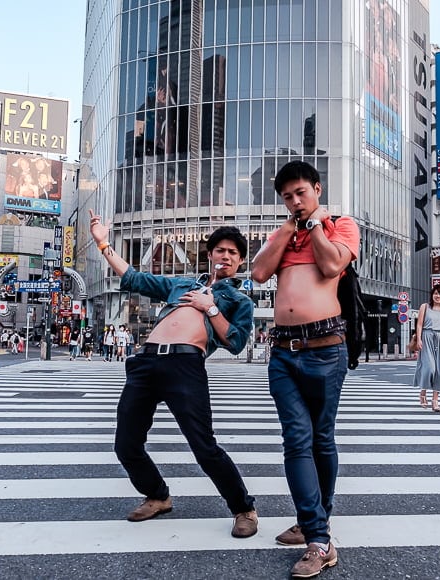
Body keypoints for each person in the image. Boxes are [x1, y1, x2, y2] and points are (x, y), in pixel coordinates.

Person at [89, 208, 258, 538]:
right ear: (210, 255)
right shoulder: (180, 284)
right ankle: (158, 496)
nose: (225, 256)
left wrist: (208, 307)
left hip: (185, 365)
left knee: (203, 446)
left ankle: (243, 508)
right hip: (147, 362)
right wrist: (104, 245)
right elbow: (135, 278)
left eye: (233, 253)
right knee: (126, 443)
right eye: (220, 250)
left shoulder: (238, 299)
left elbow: (236, 342)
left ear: (240, 262)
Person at [250, 160, 360, 578]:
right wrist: (286, 229)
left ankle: (316, 520)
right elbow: (260, 273)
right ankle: (317, 536)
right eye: (287, 197)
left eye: (301, 193)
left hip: (326, 349)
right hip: (283, 351)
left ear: (317, 189)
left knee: (321, 440)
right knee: (296, 440)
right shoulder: (283, 234)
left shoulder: (341, 227)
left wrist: (314, 225)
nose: (295, 201)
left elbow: (333, 266)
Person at [412, 285, 440, 413]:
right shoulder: (425, 307)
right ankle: (423, 392)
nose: (438, 296)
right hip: (427, 337)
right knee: (429, 367)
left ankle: (435, 400)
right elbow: (419, 324)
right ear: (432, 294)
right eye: (436, 293)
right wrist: (419, 339)